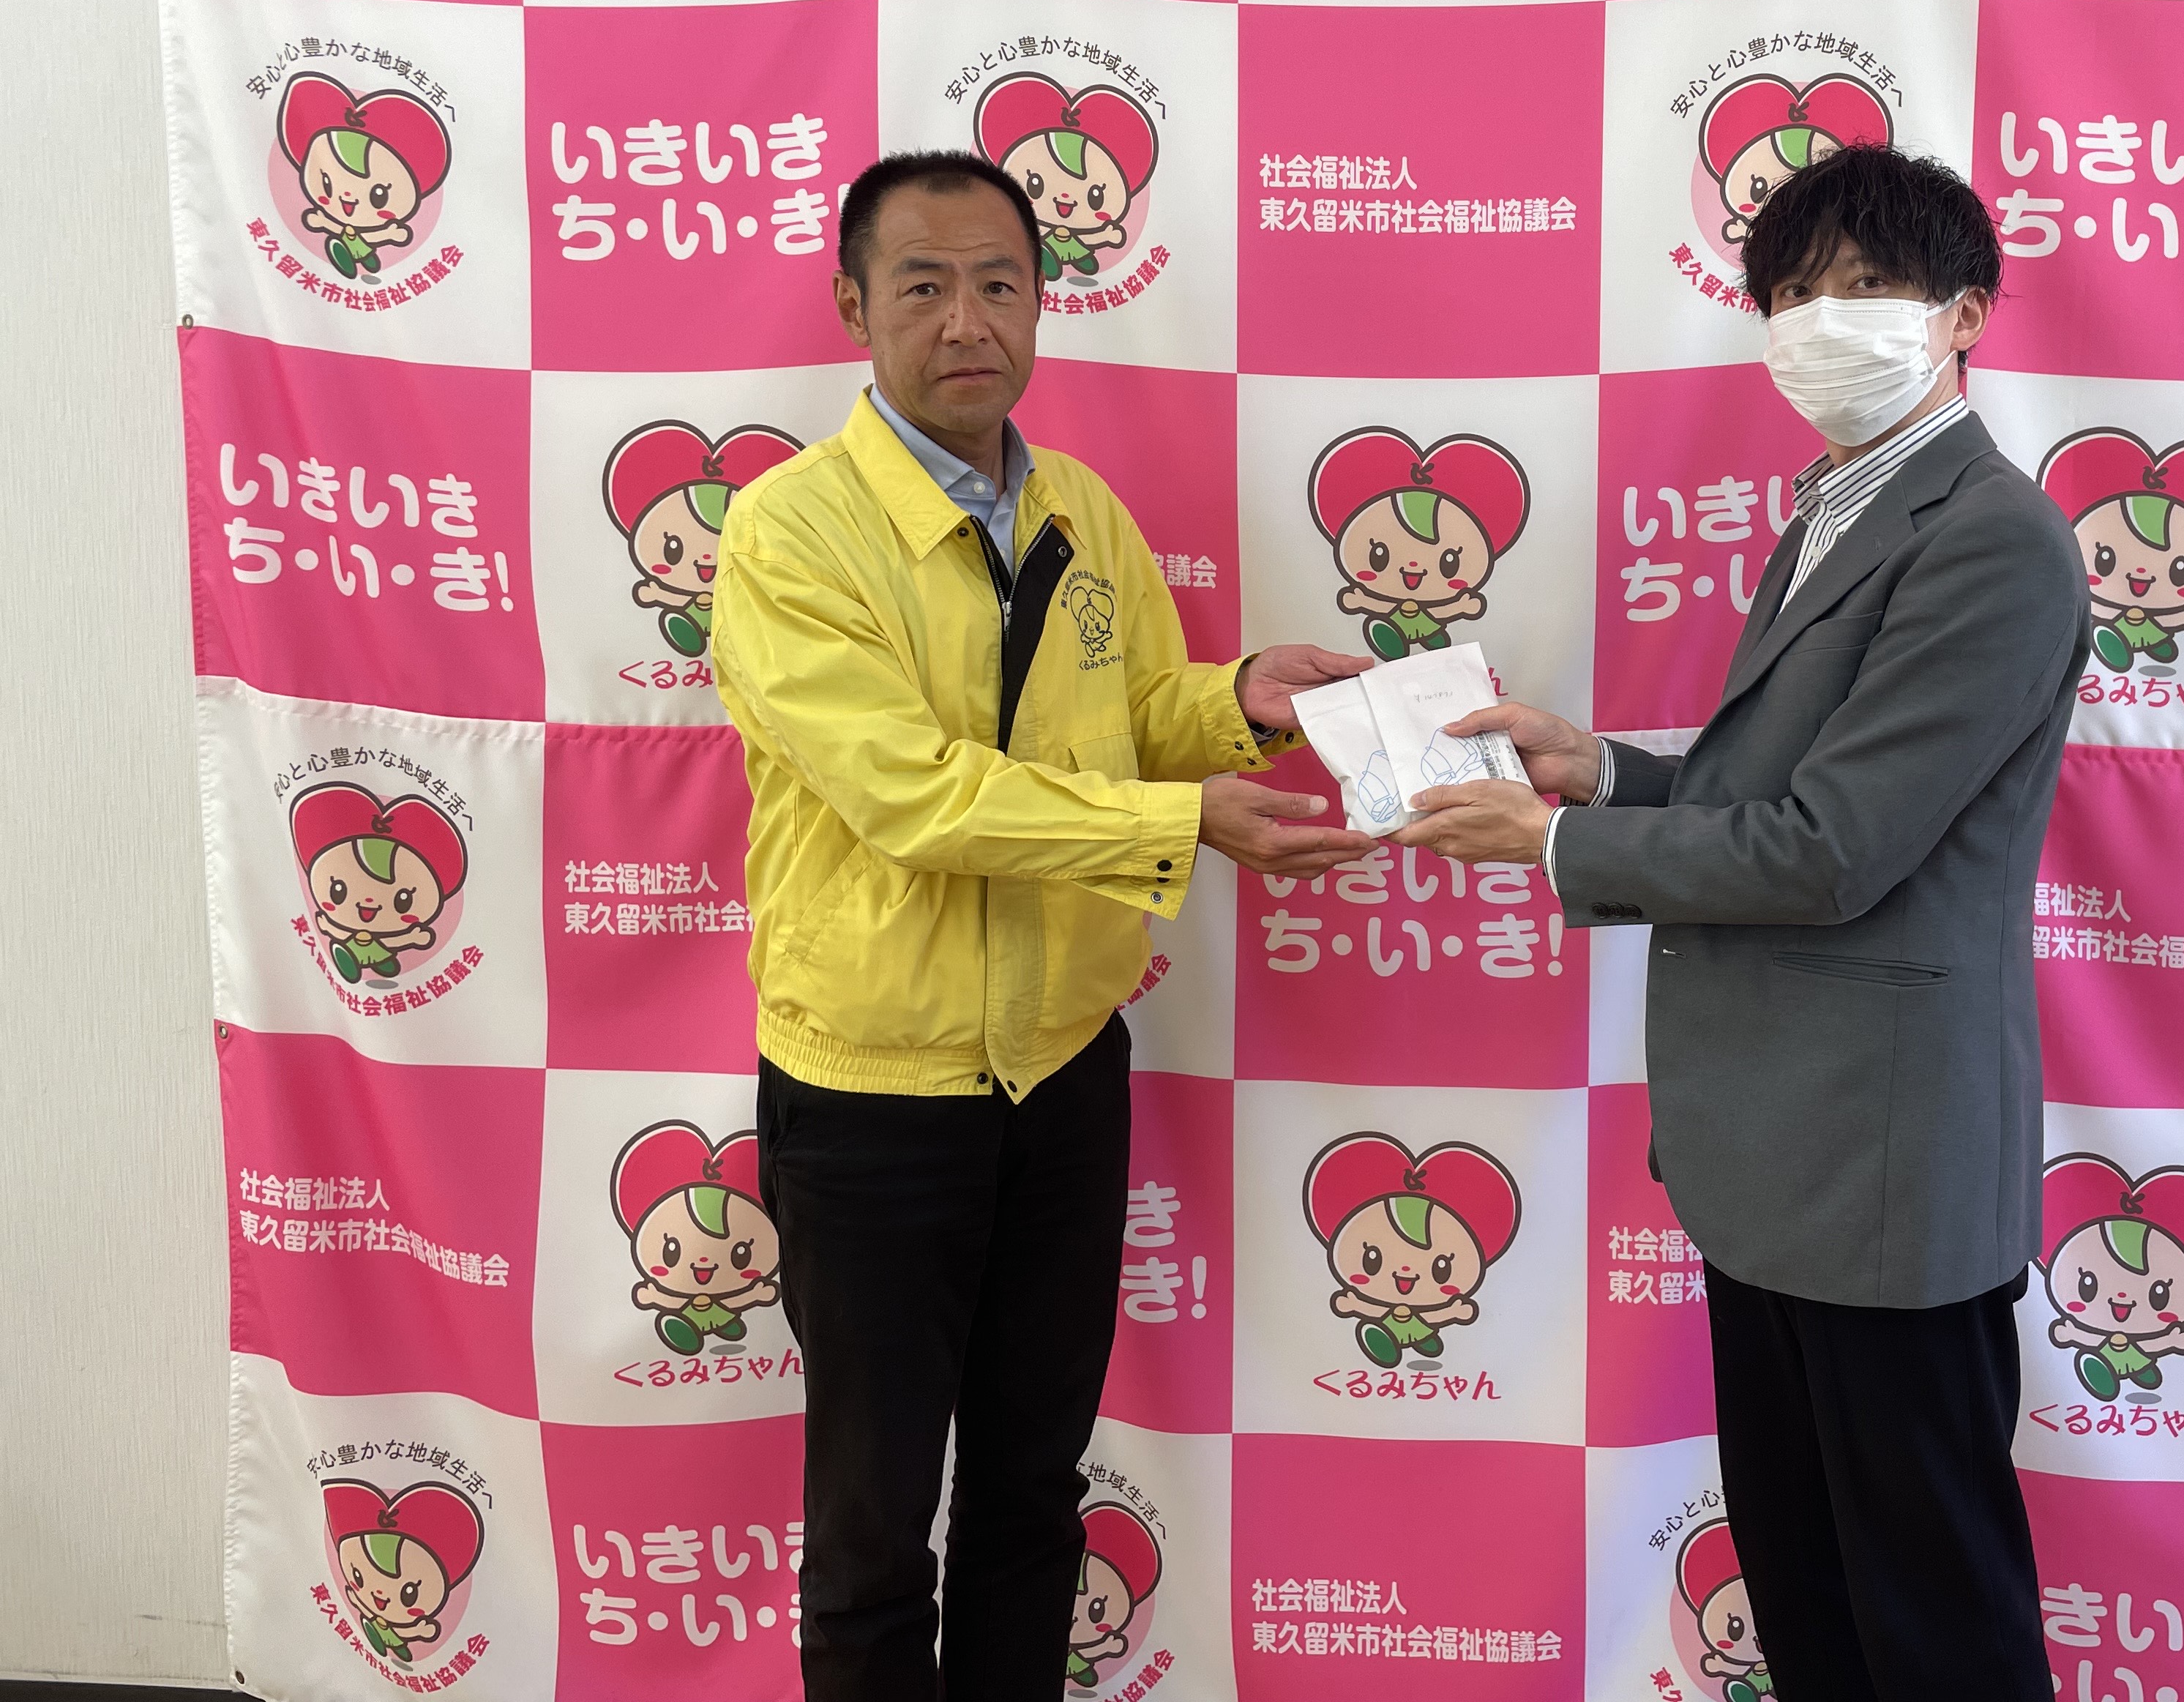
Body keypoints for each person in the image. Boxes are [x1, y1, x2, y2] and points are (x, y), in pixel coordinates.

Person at [1396, 144, 2090, 1702]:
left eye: (1867, 286)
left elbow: (1834, 850)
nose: (1821, 321)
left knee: (1933, 1623)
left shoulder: (1987, 534)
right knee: (1811, 1594)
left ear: (1966, 310)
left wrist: (1558, 840)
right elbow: (1788, 786)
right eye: (1790, 293)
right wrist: (1602, 768)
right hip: (1783, 1157)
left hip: (1883, 1166)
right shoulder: (1843, 506)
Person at [711, 150, 1375, 1700]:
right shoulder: (790, 533)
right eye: (924, 286)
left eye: (999, 284)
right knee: (872, 1532)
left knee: (1033, 1494)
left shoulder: (1080, 506)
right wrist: (1175, 824)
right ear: (853, 307)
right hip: (874, 1095)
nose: (968, 322)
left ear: (1041, 303)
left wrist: (1239, 700)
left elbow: (1127, 714)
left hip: (1066, 1072)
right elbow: (911, 796)